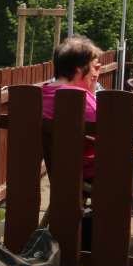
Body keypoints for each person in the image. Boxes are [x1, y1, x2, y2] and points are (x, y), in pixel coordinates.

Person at [41, 37, 102, 180]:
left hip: (60, 171)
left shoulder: (41, 96)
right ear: (79, 70)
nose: (96, 73)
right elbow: (111, 138)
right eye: (94, 67)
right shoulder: (83, 102)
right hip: (91, 173)